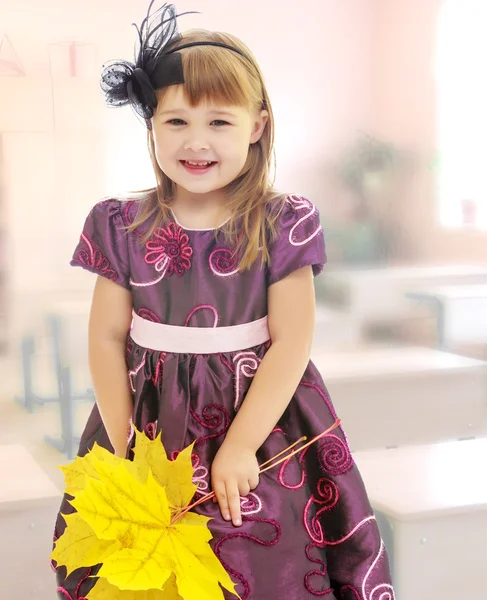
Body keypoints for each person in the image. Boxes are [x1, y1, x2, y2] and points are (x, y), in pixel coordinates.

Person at [52, 2, 394, 599]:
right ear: (152, 127)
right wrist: (120, 431)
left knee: (256, 549)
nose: (197, 142)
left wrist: (238, 447)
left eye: (219, 122)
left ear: (257, 126)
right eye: (176, 122)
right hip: (150, 411)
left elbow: (292, 340)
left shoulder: (284, 220)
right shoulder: (118, 222)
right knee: (138, 563)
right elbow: (107, 334)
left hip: (257, 414)